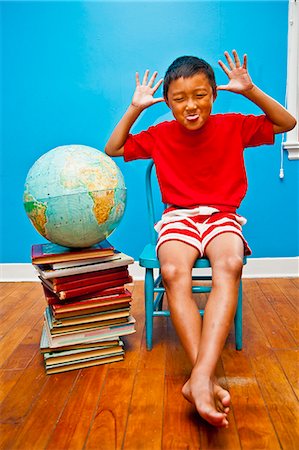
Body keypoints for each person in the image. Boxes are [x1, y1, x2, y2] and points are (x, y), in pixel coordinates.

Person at [105, 50, 296, 428]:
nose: (190, 106)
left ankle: (199, 380)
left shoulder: (233, 126)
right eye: (179, 99)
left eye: (200, 95)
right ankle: (203, 378)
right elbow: (114, 148)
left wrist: (252, 90)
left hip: (222, 216)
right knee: (174, 271)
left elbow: (287, 122)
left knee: (230, 263)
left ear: (214, 95)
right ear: (168, 102)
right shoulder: (159, 134)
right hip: (178, 217)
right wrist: (135, 109)